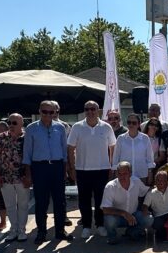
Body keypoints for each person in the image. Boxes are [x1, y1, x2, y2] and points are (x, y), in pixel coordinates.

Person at [23, 101, 71, 244]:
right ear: (39, 111)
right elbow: (27, 153)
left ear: (55, 112)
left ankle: (60, 231)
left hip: (57, 166)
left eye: (51, 112)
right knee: (41, 202)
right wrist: (28, 174)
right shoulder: (31, 128)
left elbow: (64, 150)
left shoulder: (60, 128)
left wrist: (65, 170)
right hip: (40, 168)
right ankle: (41, 232)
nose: (48, 115)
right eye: (45, 112)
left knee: (60, 201)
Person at [68, 101, 116, 239]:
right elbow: (70, 148)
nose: (90, 111)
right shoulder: (77, 127)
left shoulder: (106, 127)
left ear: (98, 110)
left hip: (102, 170)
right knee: (84, 200)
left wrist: (111, 166)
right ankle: (86, 226)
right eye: (87, 109)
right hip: (82, 170)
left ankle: (100, 225)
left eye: (93, 109)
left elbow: (112, 147)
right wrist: (72, 168)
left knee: (101, 200)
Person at [0, 114, 30, 243]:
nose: (11, 125)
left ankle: (21, 230)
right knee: (10, 205)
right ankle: (13, 230)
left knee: (23, 205)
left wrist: (29, 176)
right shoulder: (1, 138)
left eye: (14, 123)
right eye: (9, 122)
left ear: (21, 124)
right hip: (6, 177)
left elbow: (31, 158)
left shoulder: (27, 138)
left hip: (22, 177)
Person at [101, 161, 151, 244]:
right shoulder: (110, 186)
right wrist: (124, 213)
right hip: (117, 217)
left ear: (130, 173)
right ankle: (112, 236)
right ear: (116, 174)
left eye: (125, 174)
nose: (122, 176)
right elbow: (105, 209)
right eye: (119, 174)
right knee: (109, 220)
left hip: (134, 215)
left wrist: (145, 207)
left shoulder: (136, 181)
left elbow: (147, 191)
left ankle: (132, 232)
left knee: (149, 219)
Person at [114, 113, 154, 185]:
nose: (131, 125)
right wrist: (116, 174)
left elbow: (150, 158)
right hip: (124, 176)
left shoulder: (145, 138)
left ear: (138, 124)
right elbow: (116, 157)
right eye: (129, 122)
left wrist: (150, 174)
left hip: (141, 175)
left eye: (134, 123)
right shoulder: (120, 138)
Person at [142, 170, 168, 241]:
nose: (160, 182)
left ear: (167, 181)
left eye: (162, 180)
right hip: (158, 216)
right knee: (158, 225)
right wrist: (145, 210)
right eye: (158, 180)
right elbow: (145, 205)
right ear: (155, 181)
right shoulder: (150, 193)